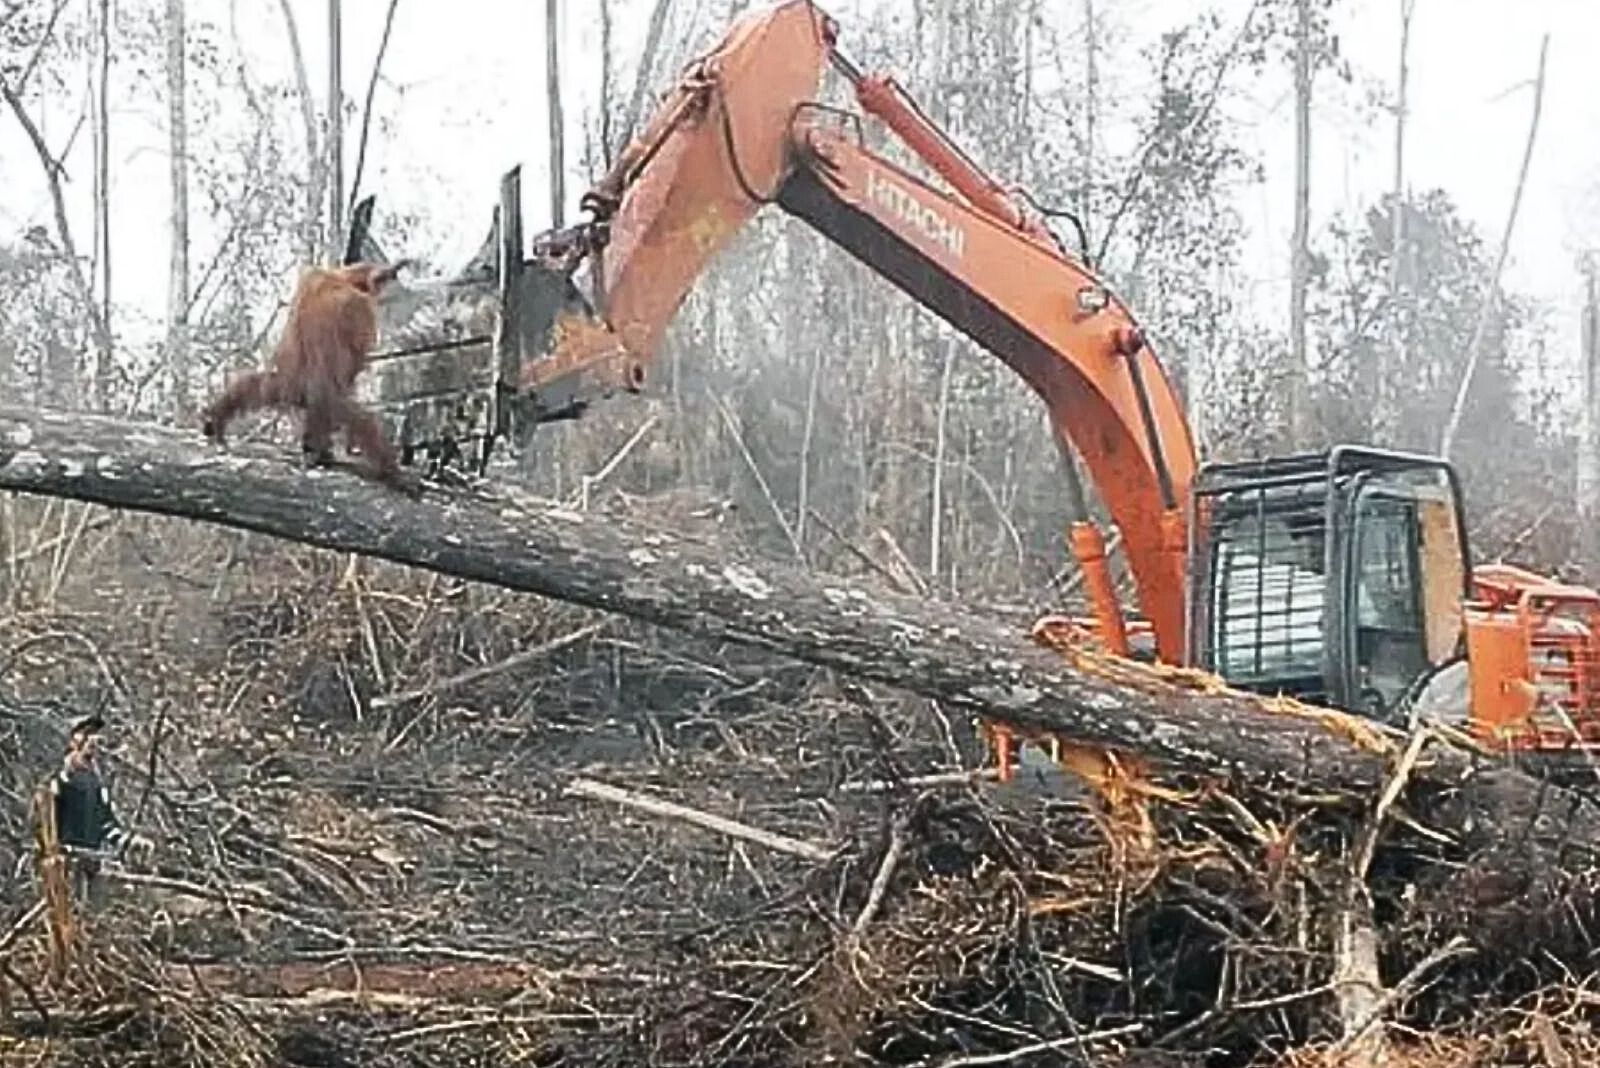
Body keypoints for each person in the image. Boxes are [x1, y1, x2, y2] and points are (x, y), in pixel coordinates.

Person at [46, 715, 151, 903]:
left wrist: (129, 842)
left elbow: (105, 824)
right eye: (86, 734)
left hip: (92, 864)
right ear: (73, 740)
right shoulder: (58, 781)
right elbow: (44, 825)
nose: (92, 741)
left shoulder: (97, 784)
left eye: (94, 735)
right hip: (64, 868)